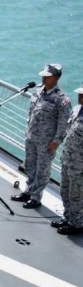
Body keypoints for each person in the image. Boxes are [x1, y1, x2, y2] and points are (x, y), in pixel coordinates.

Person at [13, 64, 72, 210]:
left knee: (43, 169)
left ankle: (36, 197)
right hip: (32, 136)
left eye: (48, 76)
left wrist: (56, 142)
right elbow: (32, 112)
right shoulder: (38, 91)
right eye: (43, 76)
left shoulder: (61, 99)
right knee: (30, 165)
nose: (44, 78)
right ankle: (28, 191)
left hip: (47, 141)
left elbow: (63, 123)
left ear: (57, 78)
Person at [55, 84, 83, 235]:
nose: (80, 97)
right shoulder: (77, 110)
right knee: (64, 190)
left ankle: (77, 224)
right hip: (68, 159)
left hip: (80, 165)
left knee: (76, 195)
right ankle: (67, 218)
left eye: (82, 95)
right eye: (79, 94)